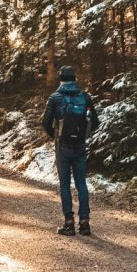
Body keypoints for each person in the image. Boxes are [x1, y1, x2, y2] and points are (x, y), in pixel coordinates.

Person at [42, 65, 99, 236]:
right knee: (81, 183)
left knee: (65, 184)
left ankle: (68, 223)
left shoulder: (55, 98)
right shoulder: (85, 97)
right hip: (80, 145)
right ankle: (84, 223)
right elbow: (95, 122)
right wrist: (83, 135)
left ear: (61, 80)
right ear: (75, 79)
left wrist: (55, 135)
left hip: (63, 146)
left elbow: (45, 123)